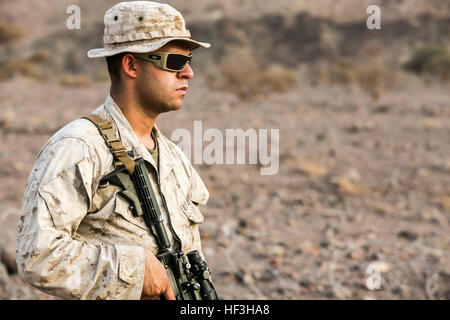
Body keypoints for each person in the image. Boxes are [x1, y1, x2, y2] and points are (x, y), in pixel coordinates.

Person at [16, 1, 212, 300]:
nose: (188, 73)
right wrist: (134, 269)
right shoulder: (78, 147)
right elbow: (37, 255)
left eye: (189, 61)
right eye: (174, 61)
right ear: (131, 65)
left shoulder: (173, 156)